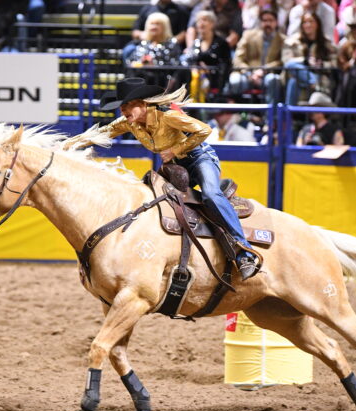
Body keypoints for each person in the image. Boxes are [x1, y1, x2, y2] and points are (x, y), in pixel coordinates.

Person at [68, 77, 260, 280]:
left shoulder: (167, 116)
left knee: (211, 194)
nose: (122, 111)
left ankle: (244, 252)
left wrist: (176, 149)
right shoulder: (129, 123)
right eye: (121, 107)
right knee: (149, 201)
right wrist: (64, 146)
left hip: (199, 157)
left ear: (142, 104)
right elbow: (101, 133)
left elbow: (204, 130)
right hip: (175, 165)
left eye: (126, 105)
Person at [228, 8, 284, 103]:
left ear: (276, 22)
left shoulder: (282, 39)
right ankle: (239, 115)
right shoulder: (248, 35)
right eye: (265, 20)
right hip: (247, 74)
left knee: (274, 80)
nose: (268, 23)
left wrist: (264, 70)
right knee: (235, 80)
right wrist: (250, 73)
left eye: (271, 20)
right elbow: (238, 59)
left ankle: (269, 115)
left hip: (268, 74)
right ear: (260, 22)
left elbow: (282, 61)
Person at [282, 11, 337, 105]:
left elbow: (335, 63)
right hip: (296, 75)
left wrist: (321, 64)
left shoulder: (326, 43)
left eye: (311, 21)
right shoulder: (292, 42)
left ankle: (289, 115)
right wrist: (306, 62)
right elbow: (286, 61)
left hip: (320, 76)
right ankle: (313, 82)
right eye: (305, 22)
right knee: (291, 66)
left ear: (318, 24)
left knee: (294, 83)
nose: (308, 25)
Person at [180, 9, 231, 99]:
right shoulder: (196, 43)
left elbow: (224, 64)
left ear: (212, 24)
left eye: (205, 20)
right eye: (199, 20)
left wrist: (206, 67)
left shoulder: (221, 43)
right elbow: (190, 60)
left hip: (215, 79)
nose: (201, 23)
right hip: (195, 79)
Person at [127, 12, 182, 87]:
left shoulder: (171, 44)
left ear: (165, 27)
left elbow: (173, 67)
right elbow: (132, 60)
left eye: (157, 24)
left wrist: (154, 65)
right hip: (142, 80)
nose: (154, 27)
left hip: (162, 82)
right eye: (151, 24)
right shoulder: (144, 43)